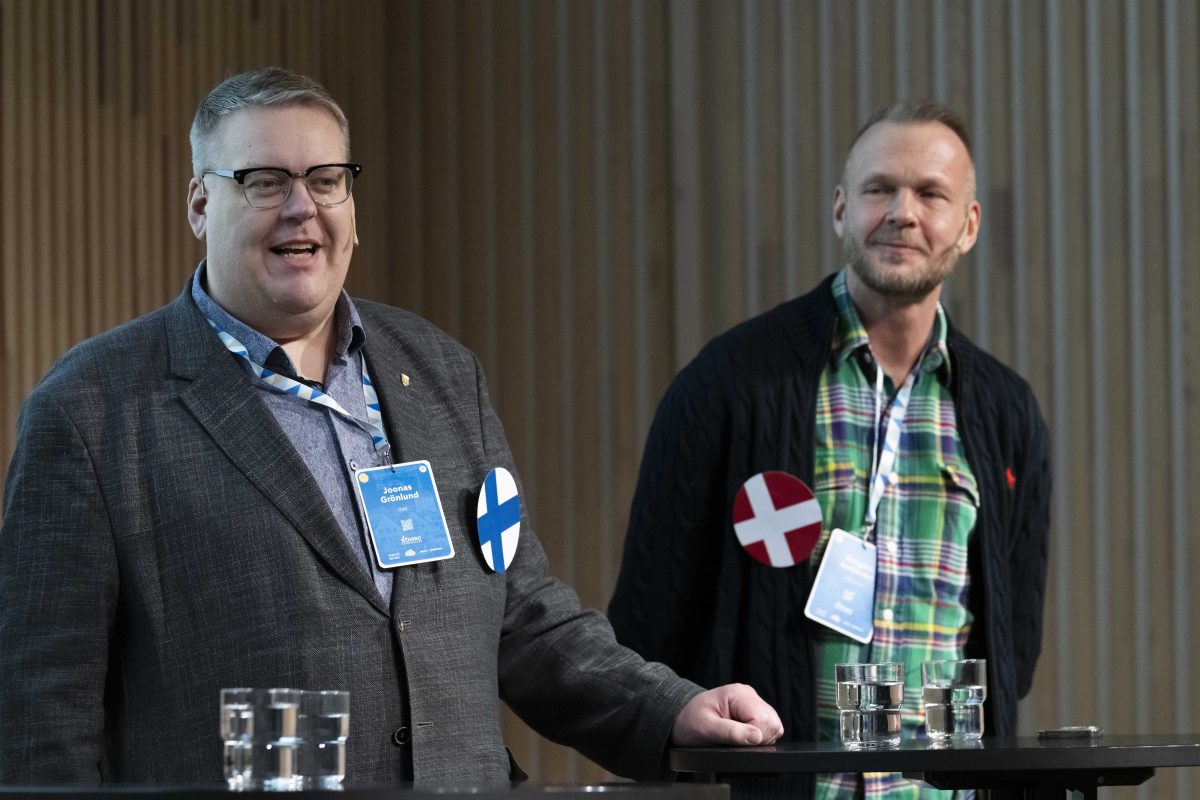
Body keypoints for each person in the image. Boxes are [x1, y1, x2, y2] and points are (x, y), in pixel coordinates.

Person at [0, 67, 782, 786]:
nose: (302, 207)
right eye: (265, 181)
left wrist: (670, 708)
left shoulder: (440, 371)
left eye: (326, 180)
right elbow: (42, 716)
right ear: (201, 205)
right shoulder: (92, 409)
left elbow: (523, 617)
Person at [608, 102, 1050, 799]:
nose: (902, 212)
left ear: (968, 226)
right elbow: (646, 626)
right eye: (879, 188)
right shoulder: (730, 384)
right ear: (841, 209)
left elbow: (1011, 646)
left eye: (930, 193)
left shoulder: (1007, 413)